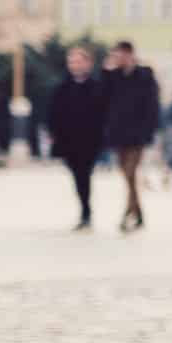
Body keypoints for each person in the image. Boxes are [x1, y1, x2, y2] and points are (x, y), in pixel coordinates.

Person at [102, 41, 160, 232]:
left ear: (130, 55)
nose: (118, 59)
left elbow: (152, 105)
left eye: (120, 55)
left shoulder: (145, 74)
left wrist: (149, 131)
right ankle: (138, 213)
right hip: (119, 134)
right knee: (127, 175)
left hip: (138, 134)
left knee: (131, 172)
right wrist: (106, 72)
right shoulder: (113, 77)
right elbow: (103, 98)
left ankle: (128, 214)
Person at [48, 46, 108, 231]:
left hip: (90, 139)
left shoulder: (97, 86)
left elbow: (104, 112)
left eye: (78, 61)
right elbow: (54, 113)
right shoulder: (62, 87)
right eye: (71, 62)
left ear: (88, 64)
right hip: (69, 140)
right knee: (77, 176)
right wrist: (54, 135)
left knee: (84, 174)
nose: (74, 65)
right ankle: (84, 210)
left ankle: (86, 213)